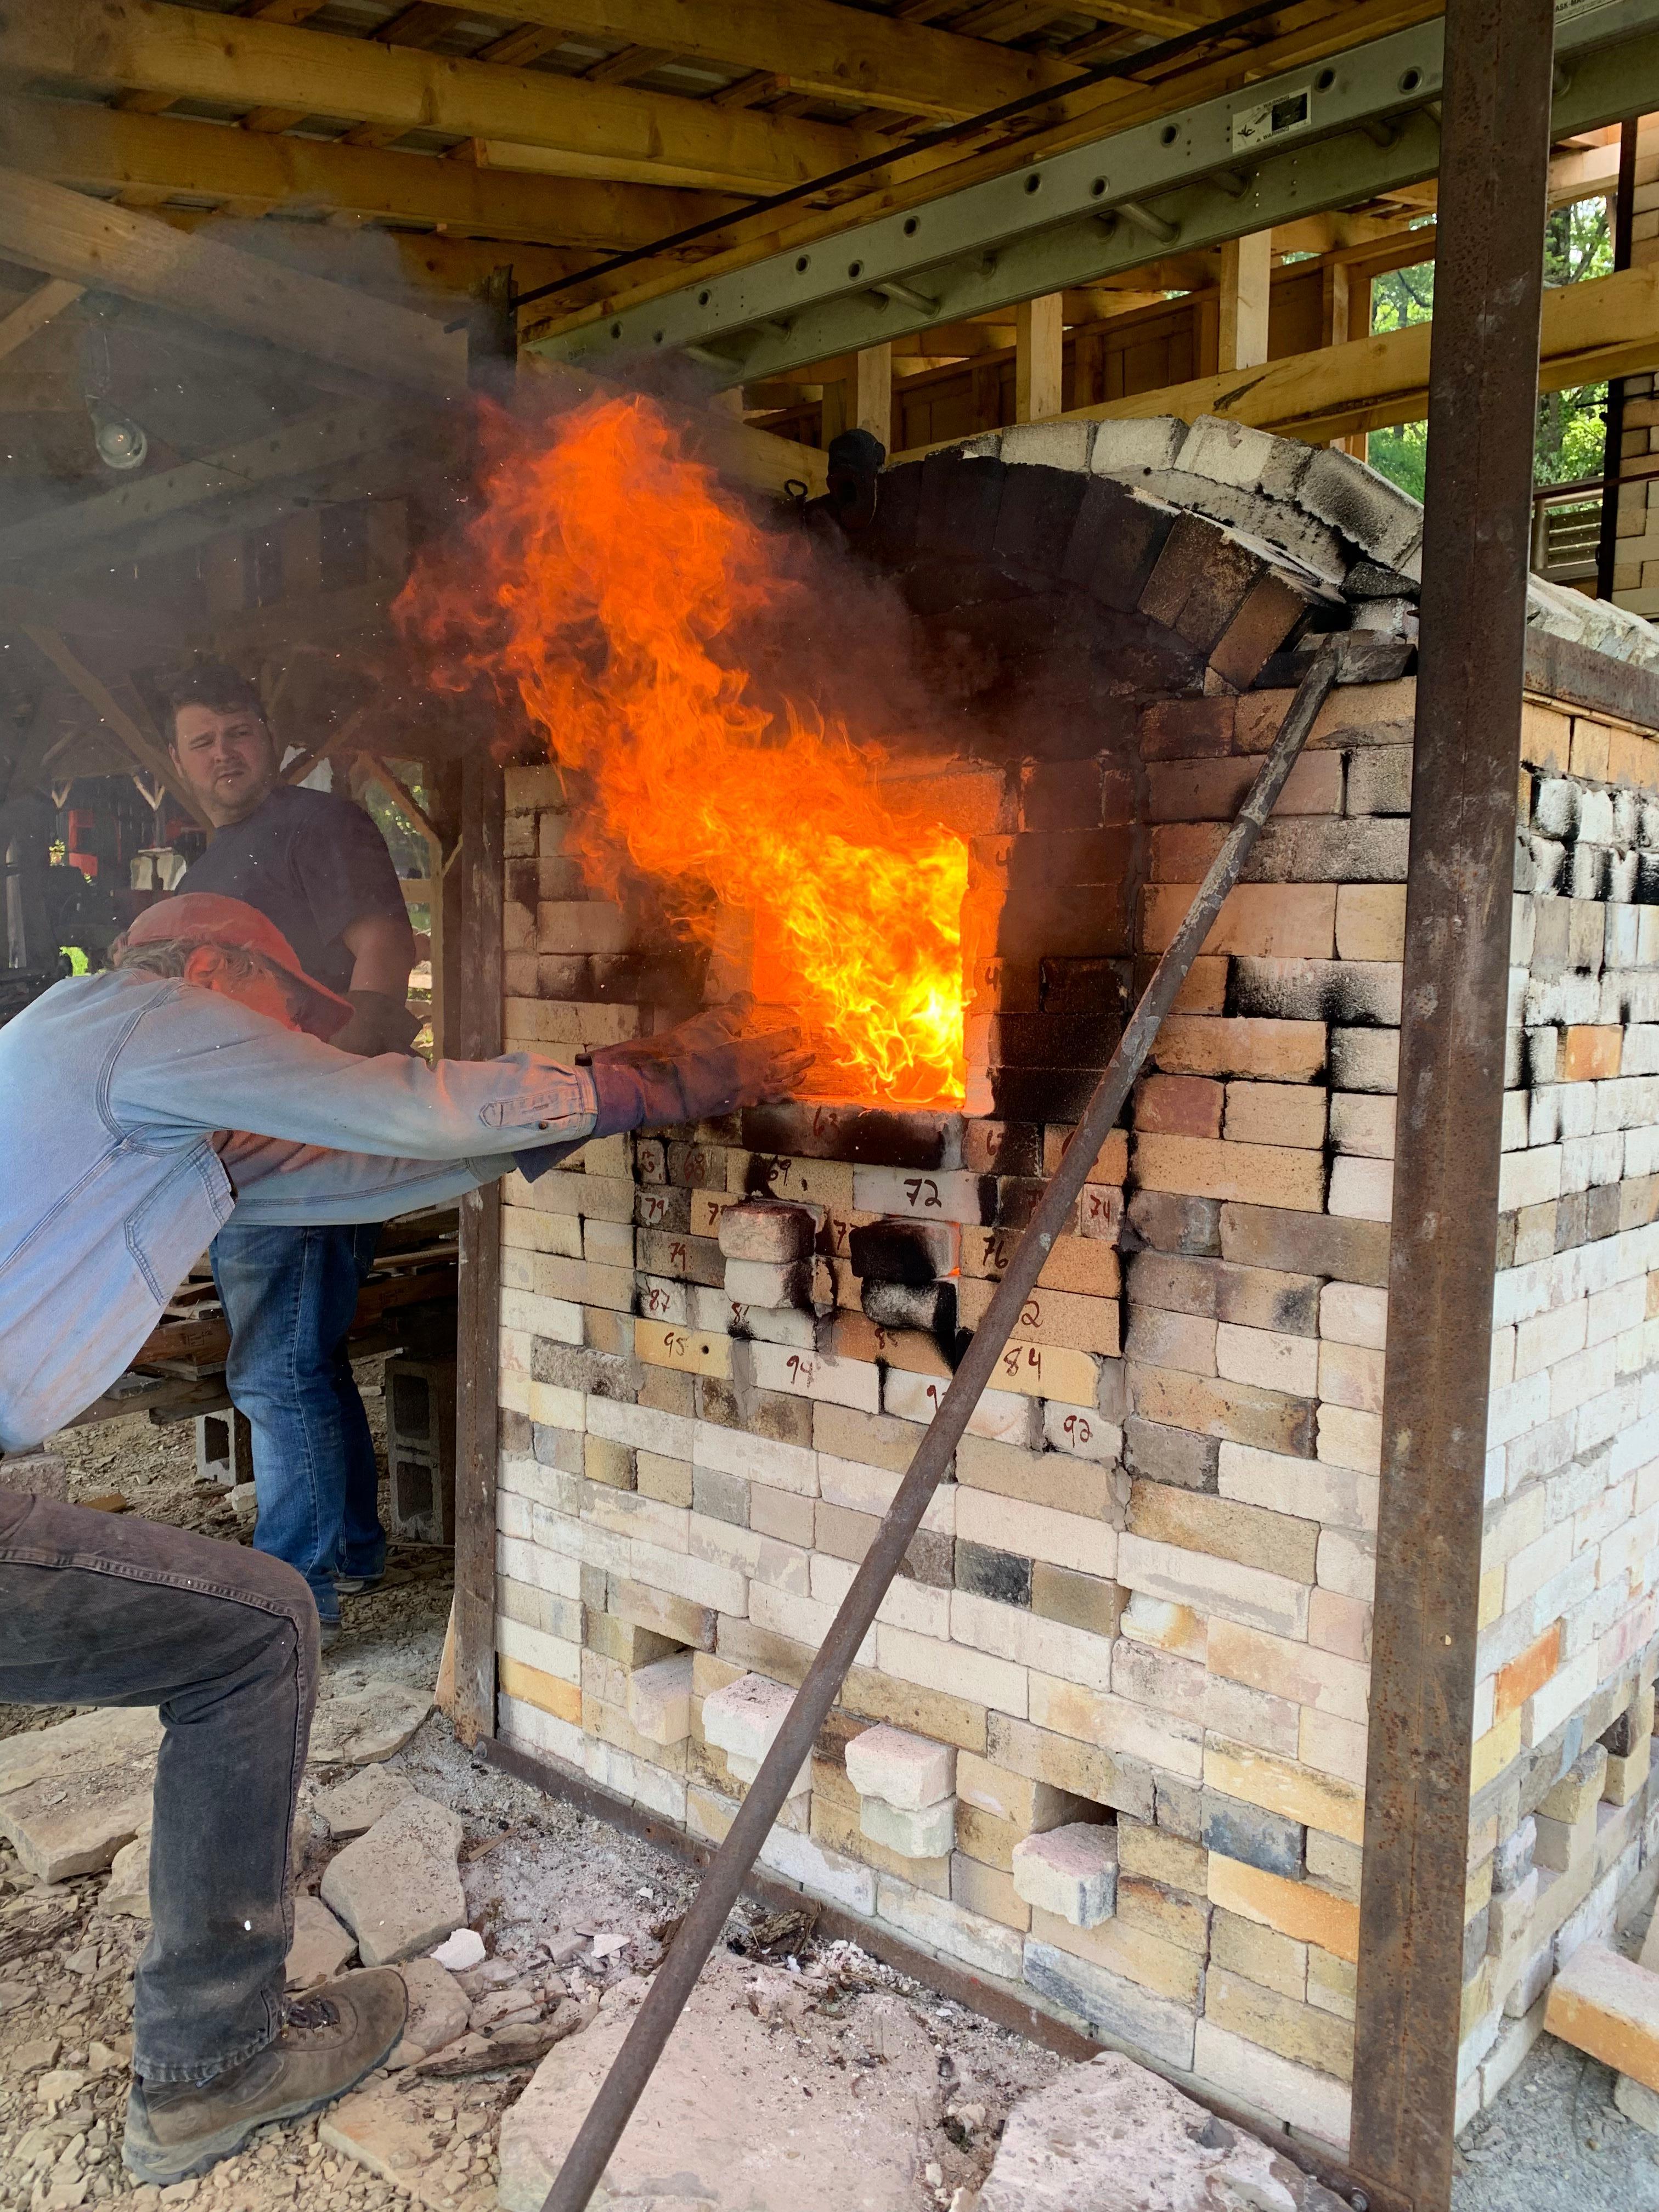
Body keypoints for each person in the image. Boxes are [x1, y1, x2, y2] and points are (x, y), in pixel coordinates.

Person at [0, 891, 807, 2184]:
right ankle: (211, 2067)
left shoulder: (145, 1107)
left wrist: (589, 1115)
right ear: (213, 968)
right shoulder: (130, 1018)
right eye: (289, 1017)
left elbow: (367, 1165)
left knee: (235, 1630)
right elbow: (389, 1102)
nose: (294, 1050)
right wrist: (618, 1083)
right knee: (257, 1633)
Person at [164, 660, 422, 1637]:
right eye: (203, 740)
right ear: (180, 759)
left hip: (301, 1151)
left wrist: (324, 1096)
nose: (224, 754)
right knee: (301, 1360)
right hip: (256, 1148)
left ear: (267, 738)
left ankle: (296, 1602)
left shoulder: (321, 827)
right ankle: (349, 1550)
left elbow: (386, 957)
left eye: (238, 731)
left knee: (275, 1373)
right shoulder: (213, 863)